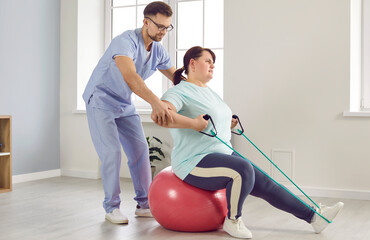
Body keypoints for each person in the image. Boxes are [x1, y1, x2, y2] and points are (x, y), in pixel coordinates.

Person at [157, 46, 344, 239]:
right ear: (193, 64)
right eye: (208, 61)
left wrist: (228, 123)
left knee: (267, 183)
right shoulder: (180, 92)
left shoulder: (209, 92)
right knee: (243, 169)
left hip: (221, 152)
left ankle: (314, 217)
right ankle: (233, 220)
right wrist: (193, 123)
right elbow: (163, 115)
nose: (213, 65)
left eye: (214, 62)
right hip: (193, 161)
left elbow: (211, 119)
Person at [82, 1, 176, 224]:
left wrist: (200, 91)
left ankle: (144, 204)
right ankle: (111, 207)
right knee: (111, 152)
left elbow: (176, 78)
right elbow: (131, 77)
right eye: (160, 26)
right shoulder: (125, 42)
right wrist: (156, 103)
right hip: (101, 99)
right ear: (145, 22)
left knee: (140, 150)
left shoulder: (158, 50)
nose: (163, 31)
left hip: (124, 103)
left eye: (167, 27)